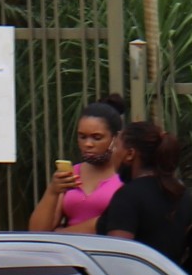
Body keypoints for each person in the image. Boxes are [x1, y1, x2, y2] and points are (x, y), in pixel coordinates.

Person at [96, 120, 192, 262]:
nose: (112, 153)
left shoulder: (127, 197)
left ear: (130, 154)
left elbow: (119, 258)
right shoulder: (181, 194)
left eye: (116, 147)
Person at [28, 98, 126, 233]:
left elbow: (112, 223)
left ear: (116, 138)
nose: (88, 144)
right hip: (70, 253)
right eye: (82, 137)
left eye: (97, 138)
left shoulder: (125, 176)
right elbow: (37, 232)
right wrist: (53, 191)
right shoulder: (71, 174)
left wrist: (63, 234)